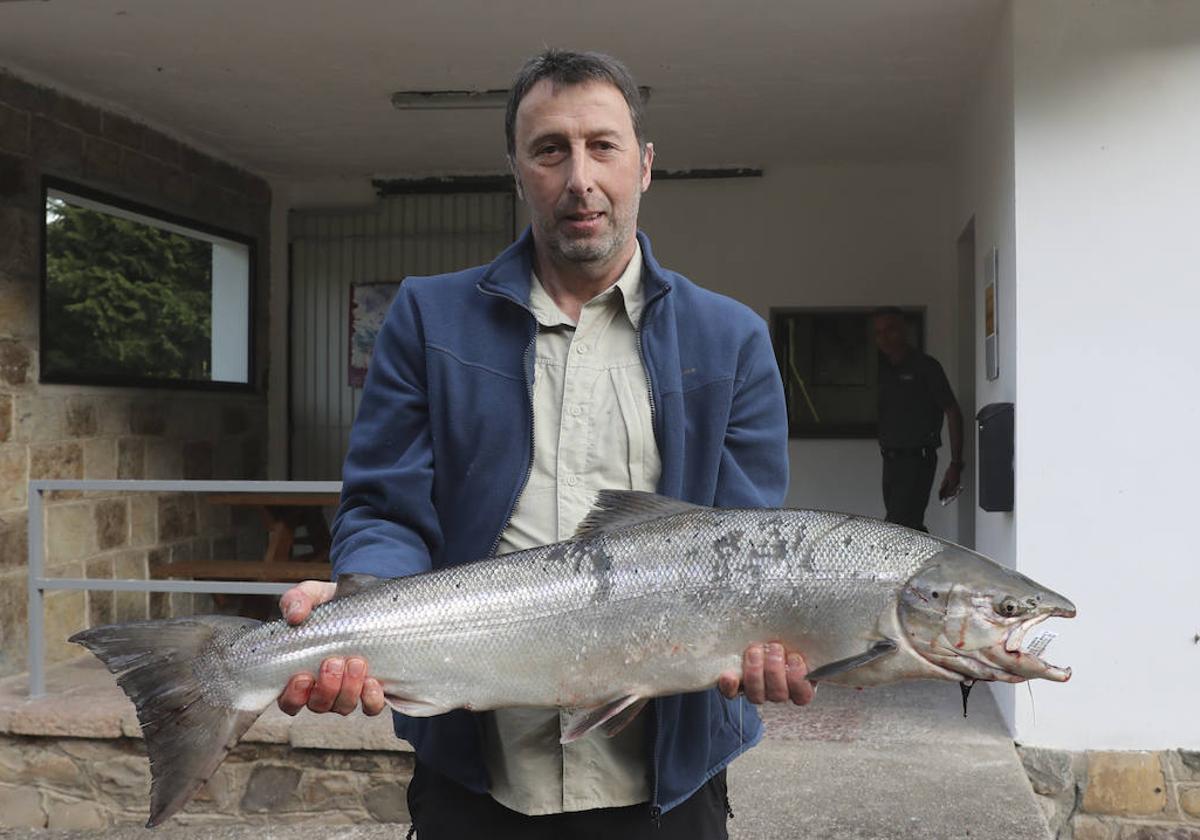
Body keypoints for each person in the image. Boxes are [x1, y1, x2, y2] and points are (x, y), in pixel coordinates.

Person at [274, 50, 813, 839]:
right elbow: (387, 509)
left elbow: (741, 550)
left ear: (645, 165)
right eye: (550, 149)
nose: (580, 177)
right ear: (517, 172)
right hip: (476, 773)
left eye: (603, 146)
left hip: (667, 781)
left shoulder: (731, 340)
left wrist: (764, 641)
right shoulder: (428, 320)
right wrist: (361, 601)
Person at [872, 307, 964, 532]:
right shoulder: (884, 370)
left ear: (904, 331)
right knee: (905, 527)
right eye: (878, 332)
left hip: (916, 459)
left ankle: (917, 567)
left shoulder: (926, 367)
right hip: (890, 460)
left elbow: (952, 411)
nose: (884, 338)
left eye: (890, 330)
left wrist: (955, 463)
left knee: (899, 528)